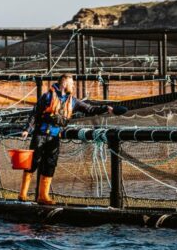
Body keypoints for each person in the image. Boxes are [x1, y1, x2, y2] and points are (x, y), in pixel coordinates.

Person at [18, 74, 113, 204]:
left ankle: (43, 196)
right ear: (64, 84)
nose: (73, 86)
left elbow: (90, 109)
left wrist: (106, 108)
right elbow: (34, 113)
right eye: (72, 84)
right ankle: (22, 194)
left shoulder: (72, 101)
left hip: (55, 137)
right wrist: (26, 130)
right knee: (33, 163)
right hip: (40, 135)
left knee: (50, 164)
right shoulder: (47, 97)